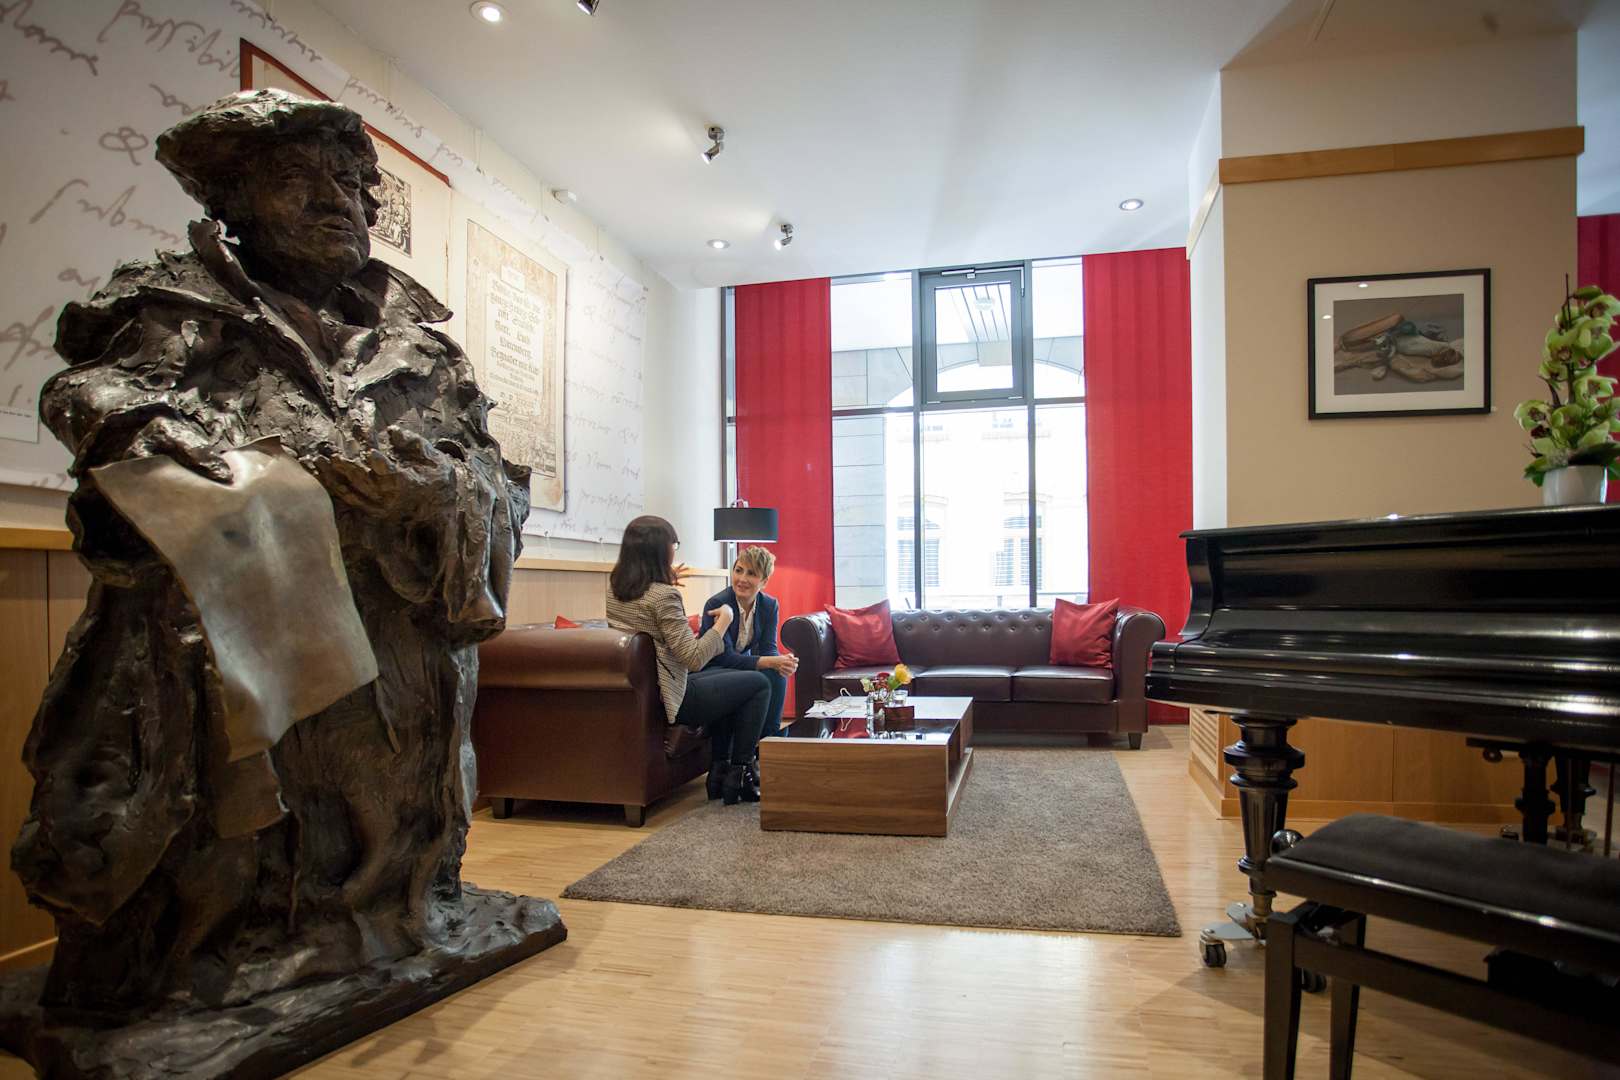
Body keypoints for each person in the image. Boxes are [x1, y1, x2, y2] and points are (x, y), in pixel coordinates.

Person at [13, 89, 531, 1011]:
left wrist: (434, 492)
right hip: (245, 634)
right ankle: (219, 956)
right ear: (234, 200)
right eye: (297, 178)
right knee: (244, 836)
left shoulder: (422, 348)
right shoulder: (178, 309)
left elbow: (496, 476)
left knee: (383, 807)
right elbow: (94, 396)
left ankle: (387, 918)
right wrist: (180, 444)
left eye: (352, 183)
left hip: (399, 644)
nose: (336, 200)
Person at [605, 516, 770, 804]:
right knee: (758, 684)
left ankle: (719, 771)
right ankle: (740, 773)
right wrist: (725, 620)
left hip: (646, 692)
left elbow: (649, 621)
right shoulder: (664, 596)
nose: (674, 550)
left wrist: (665, 581)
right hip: (673, 698)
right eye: (674, 544)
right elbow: (693, 658)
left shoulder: (615, 588)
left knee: (730, 677)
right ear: (660, 550)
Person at [698, 546, 798, 737]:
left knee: (777, 674)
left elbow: (769, 648)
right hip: (713, 668)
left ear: (764, 581)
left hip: (740, 666)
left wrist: (783, 663)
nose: (742, 579)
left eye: (751, 573)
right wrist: (772, 661)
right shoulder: (717, 604)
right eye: (738, 570)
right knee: (769, 668)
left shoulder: (769, 605)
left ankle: (769, 742)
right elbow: (725, 657)